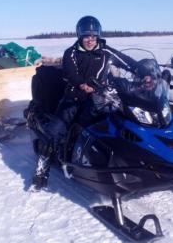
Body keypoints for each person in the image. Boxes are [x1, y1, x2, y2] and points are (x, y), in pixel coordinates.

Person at [31, 15, 138, 190]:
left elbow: (126, 62)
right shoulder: (71, 53)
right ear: (80, 36)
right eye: (87, 36)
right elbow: (70, 73)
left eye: (93, 36)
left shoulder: (105, 51)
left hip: (101, 98)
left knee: (122, 121)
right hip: (74, 98)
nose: (90, 40)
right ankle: (42, 170)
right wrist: (82, 84)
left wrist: (145, 71)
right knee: (55, 131)